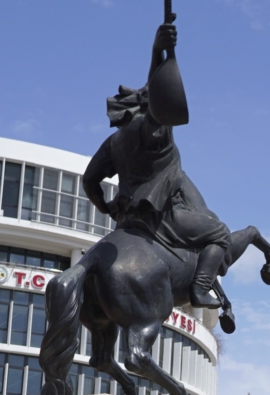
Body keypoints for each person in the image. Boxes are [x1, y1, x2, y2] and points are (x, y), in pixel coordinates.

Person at [82, 22, 232, 309]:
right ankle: (200, 289)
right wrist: (156, 52)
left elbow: (89, 181)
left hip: (128, 220)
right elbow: (157, 91)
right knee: (220, 233)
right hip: (162, 217)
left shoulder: (113, 142)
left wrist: (106, 208)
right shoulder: (154, 131)